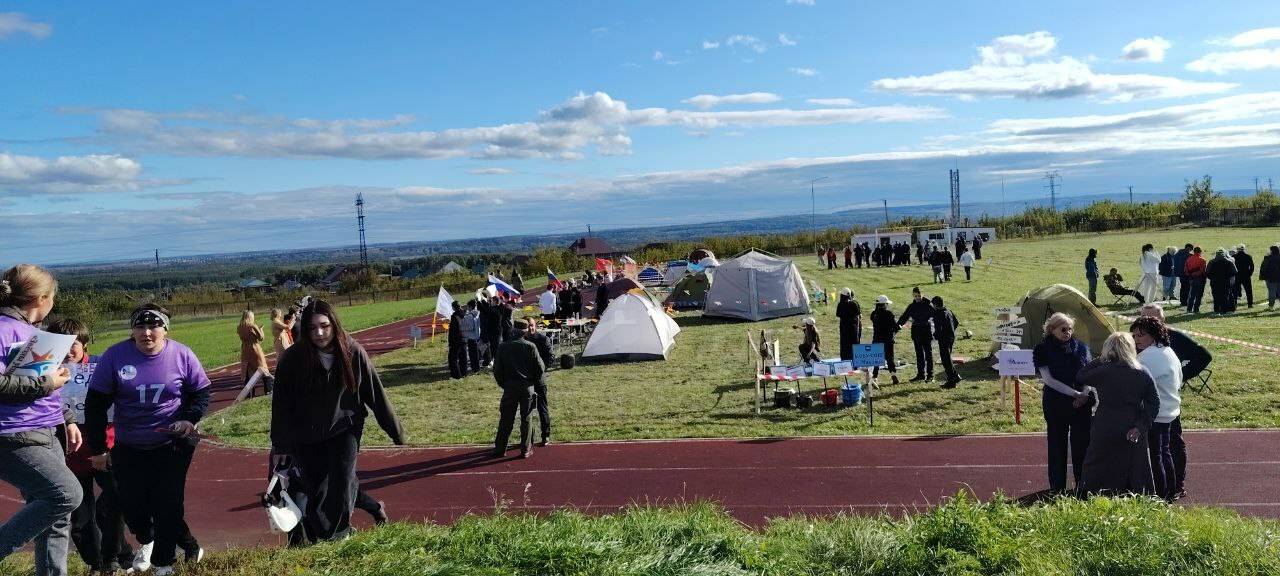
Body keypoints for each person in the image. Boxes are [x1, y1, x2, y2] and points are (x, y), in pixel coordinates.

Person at [84, 303, 210, 576]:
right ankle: (177, 542)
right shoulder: (115, 356)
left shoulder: (182, 355)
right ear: (132, 330)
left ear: (165, 329)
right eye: (140, 326)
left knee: (167, 501)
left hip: (172, 443)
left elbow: (201, 392)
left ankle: (164, 563)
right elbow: (95, 404)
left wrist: (189, 418)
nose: (147, 332)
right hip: (129, 444)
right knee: (132, 506)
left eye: (154, 326)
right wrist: (98, 448)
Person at [269, 299, 406, 543]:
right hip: (307, 434)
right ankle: (331, 530)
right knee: (317, 490)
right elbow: (281, 405)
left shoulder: (353, 352)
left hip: (345, 427)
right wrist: (280, 444)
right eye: (312, 328)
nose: (319, 333)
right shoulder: (292, 360)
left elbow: (375, 393)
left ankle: (340, 534)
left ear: (334, 324)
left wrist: (396, 432)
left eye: (324, 326)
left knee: (342, 481)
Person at [0, 264, 83, 576]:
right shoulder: (2, 330)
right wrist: (48, 383)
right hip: (12, 434)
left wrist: (68, 418)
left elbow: (41, 384)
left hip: (47, 430)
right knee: (66, 495)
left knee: (56, 517)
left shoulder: (33, 333)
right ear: (42, 298)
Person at [48, 318, 133, 575]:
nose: (67, 351)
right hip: (69, 454)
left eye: (73, 344)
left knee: (112, 507)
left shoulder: (101, 366)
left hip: (105, 448)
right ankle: (97, 563)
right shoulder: (47, 373)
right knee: (80, 520)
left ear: (84, 343)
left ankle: (114, 558)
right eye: (60, 345)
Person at [1076, 332, 1160, 497]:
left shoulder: (1103, 371)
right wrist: (1140, 426)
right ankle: (1140, 498)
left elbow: (1080, 376)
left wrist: (1100, 359)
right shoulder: (1142, 372)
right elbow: (1154, 403)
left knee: (1097, 463)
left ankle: (1092, 497)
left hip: (1105, 424)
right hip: (1132, 423)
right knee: (1136, 467)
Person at [1139, 304, 1206, 501]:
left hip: (1166, 402)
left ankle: (1176, 486)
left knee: (1171, 444)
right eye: (1144, 318)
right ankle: (1153, 487)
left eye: (1153, 319)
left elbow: (1203, 356)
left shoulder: (1173, 338)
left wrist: (1179, 376)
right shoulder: (1139, 338)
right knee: (1154, 448)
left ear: (1163, 320)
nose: (1148, 322)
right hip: (1145, 402)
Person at [1033, 312, 1092, 494]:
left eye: (1070, 329)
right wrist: (1074, 394)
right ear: (1052, 330)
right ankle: (1057, 487)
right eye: (1063, 329)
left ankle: (1082, 485)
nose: (1067, 332)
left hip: (1082, 403)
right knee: (1057, 445)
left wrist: (1084, 393)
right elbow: (1048, 380)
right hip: (1056, 403)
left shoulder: (1082, 347)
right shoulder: (1042, 349)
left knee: (1082, 444)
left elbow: (1089, 373)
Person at [1129, 316, 1181, 501]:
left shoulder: (1146, 356)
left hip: (1156, 413)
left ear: (1154, 334)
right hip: (1171, 410)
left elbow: (1135, 385)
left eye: (1141, 335)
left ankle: (1160, 494)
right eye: (1134, 335)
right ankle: (1171, 491)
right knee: (1164, 453)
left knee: (1156, 456)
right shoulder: (1168, 351)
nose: (1136, 339)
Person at [490, 320, 544, 459]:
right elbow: (540, 368)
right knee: (527, 419)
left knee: (506, 419)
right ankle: (525, 449)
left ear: (513, 330)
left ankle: (500, 448)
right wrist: (533, 382)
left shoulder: (503, 347)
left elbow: (497, 370)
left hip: (510, 387)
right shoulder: (530, 346)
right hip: (527, 387)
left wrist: (504, 384)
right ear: (525, 331)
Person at [523, 319, 554, 447]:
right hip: (526, 380)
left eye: (532, 325)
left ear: (535, 326)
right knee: (527, 410)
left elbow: (550, 357)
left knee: (542, 408)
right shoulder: (522, 340)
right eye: (528, 326)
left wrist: (541, 369)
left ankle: (545, 435)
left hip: (539, 379)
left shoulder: (543, 339)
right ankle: (528, 438)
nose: (530, 328)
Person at [897, 287, 935, 382]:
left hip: (926, 331)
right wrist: (896, 327)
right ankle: (920, 374)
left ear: (922, 295)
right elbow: (904, 317)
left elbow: (936, 315)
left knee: (928, 354)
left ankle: (930, 375)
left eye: (919, 295)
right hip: (916, 331)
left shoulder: (928, 305)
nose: (917, 297)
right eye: (915, 296)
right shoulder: (911, 306)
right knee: (919, 354)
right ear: (913, 295)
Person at [237, 310, 273, 395]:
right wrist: (261, 330)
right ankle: (268, 389)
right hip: (254, 349)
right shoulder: (253, 326)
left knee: (248, 372)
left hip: (245, 349)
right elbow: (261, 338)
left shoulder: (239, 327)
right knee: (264, 369)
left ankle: (249, 393)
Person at [869, 295, 900, 386]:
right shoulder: (889, 314)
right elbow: (894, 326)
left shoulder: (873, 314)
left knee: (876, 360)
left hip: (877, 339)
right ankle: (893, 375)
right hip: (888, 339)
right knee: (890, 358)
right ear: (885, 304)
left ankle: (875, 378)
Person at [931, 296, 961, 388]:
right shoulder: (948, 311)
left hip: (944, 339)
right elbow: (956, 322)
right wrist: (951, 331)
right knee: (947, 358)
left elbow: (938, 328)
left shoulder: (937, 313)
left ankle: (951, 381)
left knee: (945, 360)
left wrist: (935, 336)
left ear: (935, 305)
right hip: (951, 337)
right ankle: (955, 376)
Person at [1205, 248, 1238, 316]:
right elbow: (1235, 272)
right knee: (1225, 296)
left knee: (1216, 296)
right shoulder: (1229, 261)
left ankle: (1216, 310)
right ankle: (1224, 310)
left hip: (1215, 282)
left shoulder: (1212, 262)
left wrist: (1212, 278)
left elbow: (1207, 272)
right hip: (1226, 282)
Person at [835, 288, 861, 361]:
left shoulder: (840, 304)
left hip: (844, 327)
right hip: (853, 327)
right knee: (854, 343)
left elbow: (838, 315)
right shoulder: (854, 303)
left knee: (844, 344)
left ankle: (845, 359)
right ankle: (856, 359)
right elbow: (858, 315)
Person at [447, 302, 468, 379]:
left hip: (456, 339)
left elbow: (453, 330)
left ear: (453, 307)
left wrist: (450, 341)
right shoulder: (465, 314)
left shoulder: (454, 316)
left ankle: (456, 375)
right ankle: (464, 373)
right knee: (463, 356)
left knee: (452, 358)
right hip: (465, 337)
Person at [1185, 246, 1208, 313]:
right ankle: (1196, 309)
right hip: (1200, 279)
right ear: (1200, 252)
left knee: (1192, 294)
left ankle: (1189, 309)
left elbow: (1185, 269)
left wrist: (1190, 275)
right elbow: (1202, 270)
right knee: (1199, 295)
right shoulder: (1203, 260)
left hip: (1191, 279)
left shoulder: (1188, 259)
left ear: (1194, 251)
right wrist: (1196, 274)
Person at [1234, 244, 1255, 308]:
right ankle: (1250, 304)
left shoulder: (1234, 256)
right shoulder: (1248, 256)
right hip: (1246, 276)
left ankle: (1234, 305)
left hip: (1237, 276)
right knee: (1248, 291)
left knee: (1235, 291)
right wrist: (1249, 274)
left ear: (1237, 249)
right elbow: (1252, 267)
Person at [1261, 244, 1280, 308]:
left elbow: (1263, 268)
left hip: (1270, 278)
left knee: (1272, 292)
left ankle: (1271, 306)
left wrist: (1262, 276)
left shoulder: (1268, 258)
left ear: (1271, 251)